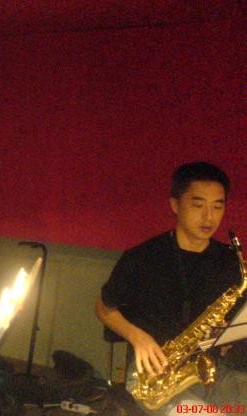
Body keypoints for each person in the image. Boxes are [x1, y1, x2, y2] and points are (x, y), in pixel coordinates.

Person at [95, 161, 247, 415]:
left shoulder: (230, 261)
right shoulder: (141, 257)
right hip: (152, 377)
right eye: (198, 205)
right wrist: (137, 337)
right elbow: (103, 307)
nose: (209, 217)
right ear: (175, 205)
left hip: (209, 370)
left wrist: (227, 334)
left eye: (217, 206)